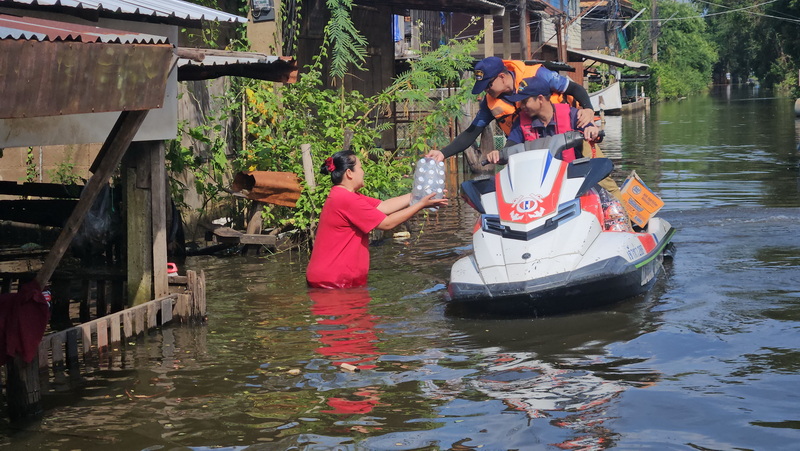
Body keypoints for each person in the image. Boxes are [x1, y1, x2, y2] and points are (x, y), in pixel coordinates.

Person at [306, 150, 449, 289]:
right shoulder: (345, 199)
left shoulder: (346, 195)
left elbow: (384, 206)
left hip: (335, 279)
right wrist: (421, 204)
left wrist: (421, 195)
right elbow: (387, 223)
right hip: (333, 280)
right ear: (349, 173)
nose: (363, 172)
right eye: (360, 168)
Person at [425, 56, 596, 163]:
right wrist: (443, 153)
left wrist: (588, 110)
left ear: (501, 76)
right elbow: (471, 132)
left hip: (571, 130)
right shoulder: (490, 102)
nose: (486, 90)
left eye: (488, 84)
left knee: (601, 179)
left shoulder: (538, 75)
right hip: (529, 145)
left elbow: (575, 89)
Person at [485, 76, 620, 198]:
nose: (522, 106)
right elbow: (510, 148)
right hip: (539, 183)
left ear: (540, 99)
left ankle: (627, 222)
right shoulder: (520, 123)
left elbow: (593, 133)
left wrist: (592, 130)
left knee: (610, 189)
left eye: (525, 101)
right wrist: (498, 155)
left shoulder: (571, 115)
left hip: (574, 176)